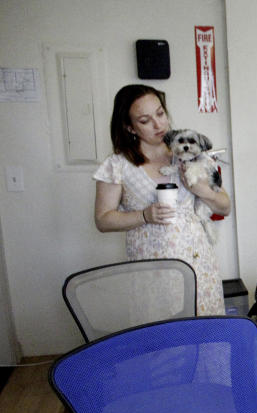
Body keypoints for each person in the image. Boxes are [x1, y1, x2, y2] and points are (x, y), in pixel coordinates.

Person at [93, 84, 230, 314]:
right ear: (129, 127)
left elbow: (225, 207)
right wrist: (144, 216)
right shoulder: (117, 165)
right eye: (145, 120)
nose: (159, 125)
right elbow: (103, 220)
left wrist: (202, 191)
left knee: (205, 335)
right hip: (151, 271)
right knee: (163, 341)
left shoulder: (190, 154)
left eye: (160, 113)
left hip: (198, 264)